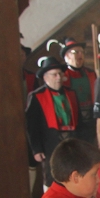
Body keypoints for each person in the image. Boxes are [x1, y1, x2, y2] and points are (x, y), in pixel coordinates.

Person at [26, 56, 79, 189]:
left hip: (71, 140)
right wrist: (36, 149)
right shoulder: (36, 96)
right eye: (54, 74)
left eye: (60, 74)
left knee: (72, 173)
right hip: (50, 142)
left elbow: (80, 120)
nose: (59, 77)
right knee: (51, 177)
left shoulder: (71, 93)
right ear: (45, 77)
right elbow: (32, 126)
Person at [59, 38, 97, 144]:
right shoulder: (61, 76)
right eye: (76, 52)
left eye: (82, 52)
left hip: (91, 120)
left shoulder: (90, 73)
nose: (80, 55)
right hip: (73, 122)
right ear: (66, 56)